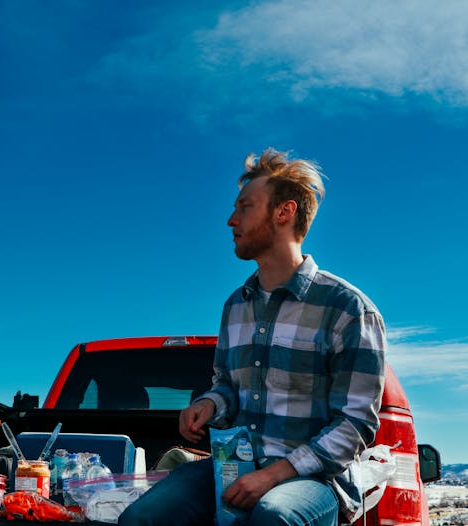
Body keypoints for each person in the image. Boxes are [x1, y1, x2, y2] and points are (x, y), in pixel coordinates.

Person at [119, 149, 386, 526]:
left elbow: (355, 424)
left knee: (273, 515)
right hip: (234, 466)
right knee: (143, 517)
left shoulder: (348, 308)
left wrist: (273, 476)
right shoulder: (236, 306)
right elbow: (228, 385)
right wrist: (210, 405)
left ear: (284, 212)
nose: (231, 220)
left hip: (313, 479)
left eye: (245, 207)